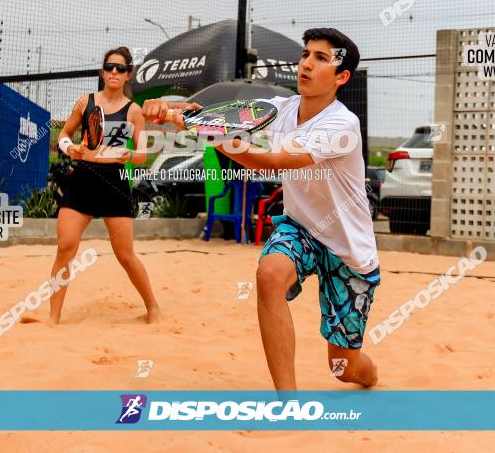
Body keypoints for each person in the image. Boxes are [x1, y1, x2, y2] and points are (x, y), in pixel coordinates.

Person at [142, 28, 380, 390]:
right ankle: (287, 403)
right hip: (301, 229)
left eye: (320, 58)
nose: (307, 64)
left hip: (348, 249)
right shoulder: (280, 108)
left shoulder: (342, 124)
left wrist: (206, 132)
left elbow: (273, 161)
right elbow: (210, 114)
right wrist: (172, 110)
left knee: (342, 368)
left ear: (341, 76)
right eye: (305, 55)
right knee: (269, 274)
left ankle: (372, 377)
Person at [48, 47, 160, 325]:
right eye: (110, 67)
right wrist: (69, 147)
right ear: (103, 72)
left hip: (116, 182)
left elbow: (144, 154)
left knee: (125, 255)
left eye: (120, 69)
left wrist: (130, 155)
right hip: (84, 177)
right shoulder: (85, 103)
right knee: (66, 246)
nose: (114, 72)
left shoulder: (134, 111)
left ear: (127, 75)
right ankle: (53, 318)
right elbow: (63, 135)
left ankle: (153, 306)